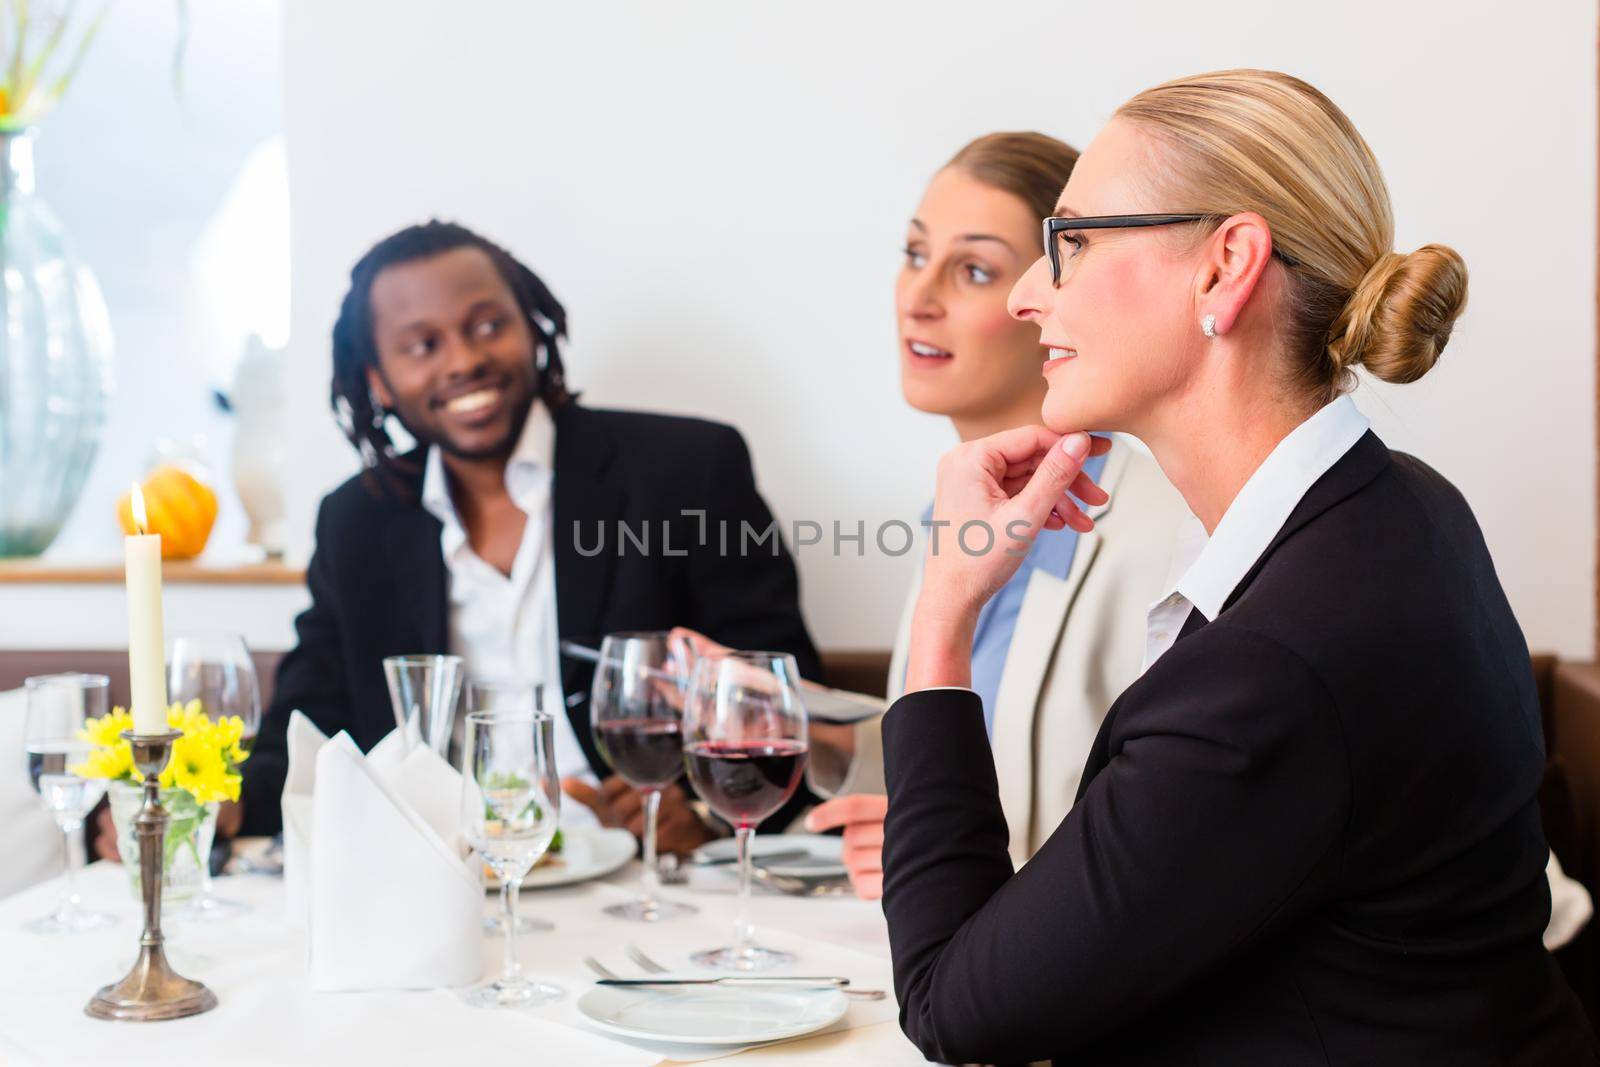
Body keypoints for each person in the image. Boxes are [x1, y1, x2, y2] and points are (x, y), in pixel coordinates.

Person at [878, 69, 1597, 1063]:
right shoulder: (1400, 502)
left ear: (1223, 267)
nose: (1034, 291)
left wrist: (944, 612)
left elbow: (952, 1007)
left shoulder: (1273, 668)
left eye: (1073, 241)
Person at [160, 221, 819, 854]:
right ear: (378, 382)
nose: (466, 360)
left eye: (488, 326)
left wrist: (700, 812)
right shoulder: (355, 522)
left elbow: (787, 697)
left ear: (531, 329)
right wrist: (211, 799)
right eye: (423, 345)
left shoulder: (686, 470)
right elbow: (307, 724)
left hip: (640, 879)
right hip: (435, 878)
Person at [802, 132, 1188, 898]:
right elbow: (953, 761)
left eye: (972, 269)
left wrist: (937, 855)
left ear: (1051, 294)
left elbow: (1168, 845)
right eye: (915, 255)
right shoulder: (955, 509)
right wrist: (790, 722)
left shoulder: (1170, 536)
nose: (919, 296)